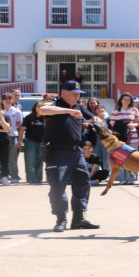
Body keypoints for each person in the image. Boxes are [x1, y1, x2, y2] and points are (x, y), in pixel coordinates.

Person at [40, 80, 100, 232]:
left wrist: (95, 120)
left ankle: (78, 219)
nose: (76, 97)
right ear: (63, 93)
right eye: (74, 94)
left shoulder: (79, 106)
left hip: (76, 152)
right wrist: (68, 111)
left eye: (78, 94)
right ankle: (61, 219)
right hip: (57, 153)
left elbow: (91, 118)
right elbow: (42, 110)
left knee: (83, 183)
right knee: (58, 186)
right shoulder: (55, 105)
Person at [110, 93, 139, 185]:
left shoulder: (134, 110)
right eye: (125, 99)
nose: (126, 101)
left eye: (128, 99)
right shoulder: (116, 110)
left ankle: (131, 178)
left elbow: (138, 122)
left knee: (133, 158)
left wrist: (133, 125)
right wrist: (125, 124)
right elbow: (112, 123)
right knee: (120, 158)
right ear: (121, 100)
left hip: (132, 136)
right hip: (120, 137)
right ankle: (121, 178)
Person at [0, 93, 22, 184]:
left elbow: (18, 124)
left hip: (12, 136)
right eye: (5, 99)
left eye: (9, 99)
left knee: (12, 158)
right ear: (2, 100)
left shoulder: (16, 111)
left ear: (12, 100)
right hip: (0, 136)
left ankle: (14, 176)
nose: (7, 101)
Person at [18, 101, 45, 185]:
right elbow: (22, 130)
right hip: (30, 141)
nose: (39, 108)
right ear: (34, 108)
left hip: (41, 142)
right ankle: (32, 179)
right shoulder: (29, 117)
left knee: (40, 161)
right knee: (30, 161)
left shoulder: (46, 118)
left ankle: (38, 178)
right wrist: (19, 141)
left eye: (41, 107)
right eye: (38, 106)